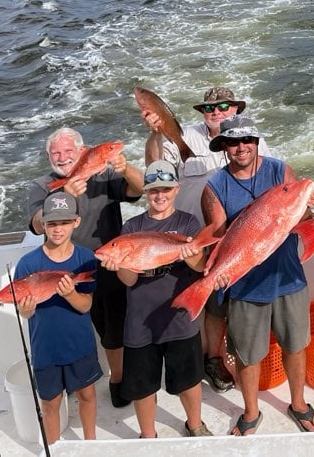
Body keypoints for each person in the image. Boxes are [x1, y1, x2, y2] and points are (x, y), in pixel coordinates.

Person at [143, 86, 272, 393]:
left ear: (236, 109)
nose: (216, 112)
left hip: (241, 237)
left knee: (237, 302)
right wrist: (155, 134)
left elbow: (272, 181)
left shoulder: (253, 140)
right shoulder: (181, 136)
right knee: (209, 304)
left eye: (224, 106)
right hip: (194, 238)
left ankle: (241, 357)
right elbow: (154, 167)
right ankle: (210, 359)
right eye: (209, 108)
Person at [200, 115, 314, 436]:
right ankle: (251, 411)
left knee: (295, 346)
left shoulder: (281, 171)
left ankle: (298, 403)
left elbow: (302, 217)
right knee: (247, 354)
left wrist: (308, 205)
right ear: (223, 146)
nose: (241, 147)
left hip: (288, 278)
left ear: (256, 142)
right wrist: (218, 274)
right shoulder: (215, 187)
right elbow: (218, 236)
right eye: (233, 142)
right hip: (244, 285)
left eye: (247, 140)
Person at [26, 127, 144, 408]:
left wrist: (125, 168)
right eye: (56, 152)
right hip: (61, 268)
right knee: (65, 326)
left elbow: (139, 188)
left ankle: (117, 380)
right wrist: (63, 196)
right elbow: (36, 223)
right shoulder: (43, 186)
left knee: (113, 330)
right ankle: (69, 383)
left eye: (68, 151)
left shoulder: (103, 174)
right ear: (47, 156)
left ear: (83, 151)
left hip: (106, 263)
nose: (62, 157)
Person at [99, 160, 212, 438]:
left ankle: (195, 424)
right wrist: (119, 262)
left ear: (176, 189)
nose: (159, 196)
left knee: (188, 380)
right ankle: (148, 435)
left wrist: (193, 252)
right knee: (143, 385)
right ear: (146, 193)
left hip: (180, 317)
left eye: (166, 189)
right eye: (152, 191)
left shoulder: (187, 222)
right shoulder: (132, 226)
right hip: (140, 322)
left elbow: (199, 268)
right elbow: (130, 279)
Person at [14, 193, 100, 443]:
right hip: (45, 350)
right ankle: (53, 447)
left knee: (87, 395)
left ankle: (91, 444)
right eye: (52, 223)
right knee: (49, 404)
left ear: (76, 222)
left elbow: (86, 306)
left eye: (63, 222)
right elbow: (26, 311)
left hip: (80, 344)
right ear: (43, 226)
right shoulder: (27, 265)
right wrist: (26, 309)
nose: (58, 229)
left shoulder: (86, 259)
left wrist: (71, 294)